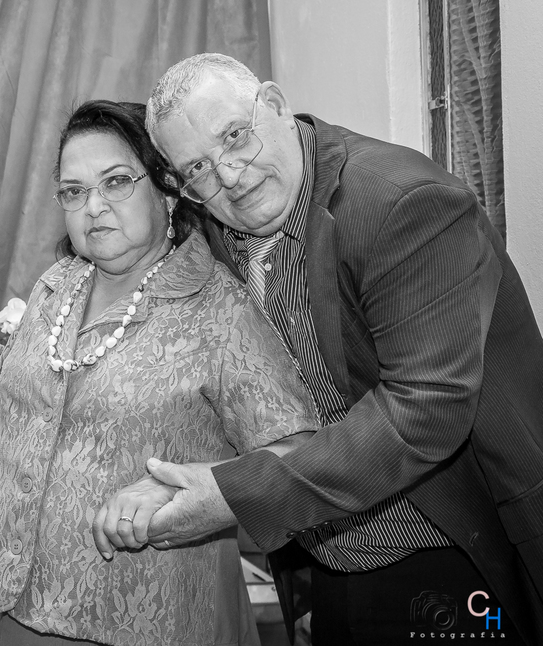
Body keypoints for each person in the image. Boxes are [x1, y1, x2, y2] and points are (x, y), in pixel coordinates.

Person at [136, 52, 543, 644]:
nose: (230, 175)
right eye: (197, 167)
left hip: (454, 549)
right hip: (330, 555)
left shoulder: (402, 202)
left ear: (276, 105)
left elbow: (423, 411)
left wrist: (235, 495)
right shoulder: (222, 224)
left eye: (236, 136)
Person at [0, 99, 318, 646]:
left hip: (148, 615)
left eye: (116, 182)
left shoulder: (218, 310)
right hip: (19, 604)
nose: (93, 207)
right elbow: (9, 398)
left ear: (167, 190)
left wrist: (190, 485)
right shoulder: (54, 288)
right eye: (74, 191)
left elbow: (297, 454)